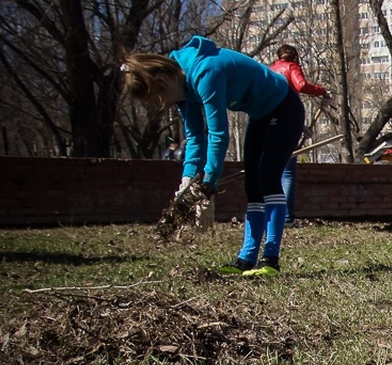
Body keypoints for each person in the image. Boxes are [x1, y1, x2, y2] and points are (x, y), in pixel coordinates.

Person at [121, 36, 304, 278]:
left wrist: (209, 182)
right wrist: (187, 181)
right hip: (260, 116)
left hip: (285, 108)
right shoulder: (182, 88)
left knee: (267, 178)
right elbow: (195, 137)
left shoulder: (206, 71)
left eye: (161, 98)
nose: (165, 104)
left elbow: (218, 134)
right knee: (253, 186)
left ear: (163, 80)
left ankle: (270, 259)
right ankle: (246, 258)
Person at [270, 44, 331, 226]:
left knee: (273, 171)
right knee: (287, 172)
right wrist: (322, 91)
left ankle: (273, 215)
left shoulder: (271, 70)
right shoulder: (291, 67)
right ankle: (287, 218)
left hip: (270, 120)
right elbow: (301, 84)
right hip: (289, 118)